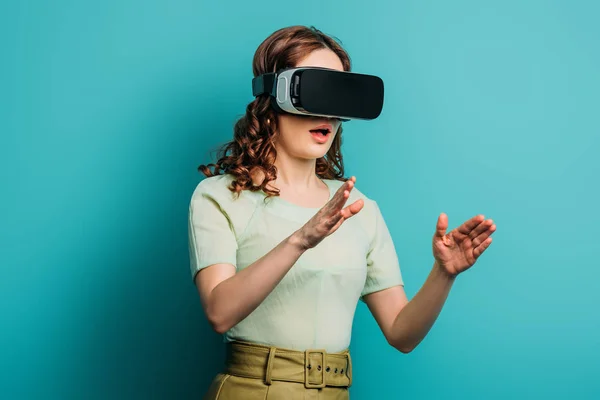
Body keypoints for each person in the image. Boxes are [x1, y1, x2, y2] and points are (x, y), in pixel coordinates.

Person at [188, 25, 496, 400]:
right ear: (273, 96)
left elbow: (401, 334)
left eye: (340, 94)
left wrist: (444, 273)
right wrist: (301, 239)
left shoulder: (358, 208)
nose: (328, 114)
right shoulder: (220, 196)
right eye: (316, 90)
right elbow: (219, 312)